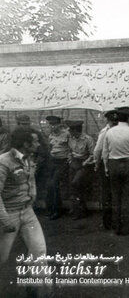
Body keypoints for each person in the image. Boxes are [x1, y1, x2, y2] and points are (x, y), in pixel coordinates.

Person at [0, 127, 51, 296]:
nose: (38, 144)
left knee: (39, 252)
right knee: (2, 257)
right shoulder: (3, 161)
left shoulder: (29, 158)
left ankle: (39, 293)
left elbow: (30, 179)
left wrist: (33, 195)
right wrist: (4, 219)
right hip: (9, 214)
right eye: (35, 141)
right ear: (25, 143)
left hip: (28, 213)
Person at [102, 108, 129, 235]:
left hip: (113, 164)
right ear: (128, 119)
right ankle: (127, 227)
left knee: (115, 196)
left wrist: (106, 167)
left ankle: (116, 227)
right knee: (127, 196)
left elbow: (105, 152)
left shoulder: (109, 132)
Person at [16, 114, 49, 211]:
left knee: (32, 185)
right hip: (20, 162)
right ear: (18, 124)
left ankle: (32, 207)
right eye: (23, 124)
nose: (25, 126)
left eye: (27, 124)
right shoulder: (15, 134)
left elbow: (43, 151)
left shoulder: (36, 134)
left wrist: (35, 164)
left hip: (35, 162)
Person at [93, 110, 118, 230]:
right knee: (111, 193)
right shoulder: (109, 132)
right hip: (111, 164)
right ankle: (110, 221)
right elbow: (98, 150)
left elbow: (97, 151)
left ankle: (109, 221)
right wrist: (98, 163)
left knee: (108, 194)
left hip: (107, 164)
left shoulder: (107, 131)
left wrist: (96, 164)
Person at [66, 120, 95, 220]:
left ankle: (80, 210)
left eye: (71, 130)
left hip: (84, 165)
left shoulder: (88, 139)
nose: (69, 132)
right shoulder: (71, 138)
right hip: (73, 164)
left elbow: (92, 155)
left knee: (75, 184)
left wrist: (84, 163)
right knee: (73, 187)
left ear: (76, 130)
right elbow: (69, 151)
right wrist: (70, 160)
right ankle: (78, 210)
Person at [46, 115, 70, 220]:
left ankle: (57, 211)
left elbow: (71, 148)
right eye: (51, 124)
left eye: (55, 124)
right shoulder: (51, 134)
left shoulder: (67, 134)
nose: (53, 126)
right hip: (53, 161)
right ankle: (51, 209)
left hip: (63, 162)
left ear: (60, 124)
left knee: (54, 184)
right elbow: (50, 147)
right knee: (50, 185)